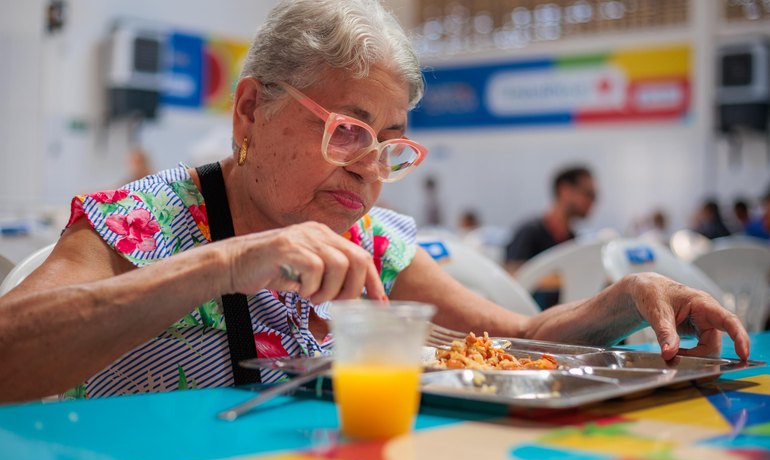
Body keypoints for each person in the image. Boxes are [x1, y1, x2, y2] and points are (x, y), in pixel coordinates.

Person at [0, 0, 749, 404]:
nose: (368, 173)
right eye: (346, 132)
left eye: (387, 145)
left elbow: (518, 335)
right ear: (251, 111)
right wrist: (223, 264)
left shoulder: (373, 243)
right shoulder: (139, 222)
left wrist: (621, 301)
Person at [504, 165, 597, 308]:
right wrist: (567, 278)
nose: (593, 202)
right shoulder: (530, 232)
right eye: (589, 194)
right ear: (564, 190)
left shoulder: (572, 240)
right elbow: (511, 276)